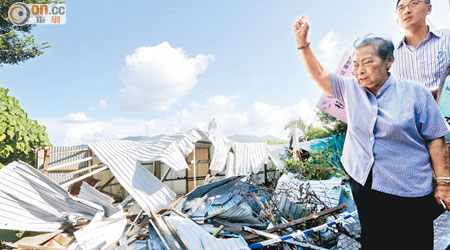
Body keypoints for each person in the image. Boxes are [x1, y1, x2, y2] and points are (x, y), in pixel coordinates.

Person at [293, 16, 450, 250]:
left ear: (388, 61)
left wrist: (445, 183)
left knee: (414, 242)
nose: (359, 70)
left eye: (367, 62)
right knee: (375, 242)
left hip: (410, 189)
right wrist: (302, 43)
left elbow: (436, 139)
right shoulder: (350, 89)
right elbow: (319, 75)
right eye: (355, 64)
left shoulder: (416, 93)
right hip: (367, 185)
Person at [391, 0, 450, 98]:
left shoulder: (447, 38)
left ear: (428, 8)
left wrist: (437, 92)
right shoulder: (390, 56)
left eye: (413, 3)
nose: (407, 11)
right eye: (401, 8)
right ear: (397, 19)